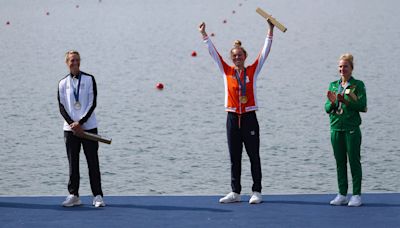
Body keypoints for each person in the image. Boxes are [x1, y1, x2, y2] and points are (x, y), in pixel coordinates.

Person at [199, 21, 274, 204]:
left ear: (245, 56)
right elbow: (213, 54)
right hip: (232, 117)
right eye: (235, 56)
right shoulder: (226, 71)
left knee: (253, 155)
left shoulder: (253, 70)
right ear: (232, 58)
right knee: (234, 157)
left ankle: (256, 191)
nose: (237, 58)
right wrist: (204, 34)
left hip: (249, 117)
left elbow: (264, 53)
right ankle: (235, 192)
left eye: (240, 55)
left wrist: (270, 30)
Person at [58, 50, 105, 207]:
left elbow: (93, 103)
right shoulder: (62, 83)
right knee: (73, 163)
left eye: (77, 60)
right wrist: (72, 123)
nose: (75, 63)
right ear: (67, 63)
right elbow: (62, 107)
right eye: (72, 60)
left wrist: (81, 122)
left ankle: (97, 195)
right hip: (70, 129)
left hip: (88, 127)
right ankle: (74, 195)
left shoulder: (89, 79)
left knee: (92, 162)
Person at [325, 53, 367, 207]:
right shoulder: (333, 85)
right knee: (340, 162)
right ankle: (342, 194)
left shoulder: (358, 85)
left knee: (354, 161)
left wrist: (346, 101)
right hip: (336, 128)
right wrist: (334, 103)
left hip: (351, 129)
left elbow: (362, 106)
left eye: (346, 66)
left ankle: (356, 195)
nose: (342, 69)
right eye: (340, 66)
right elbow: (327, 108)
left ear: (351, 68)